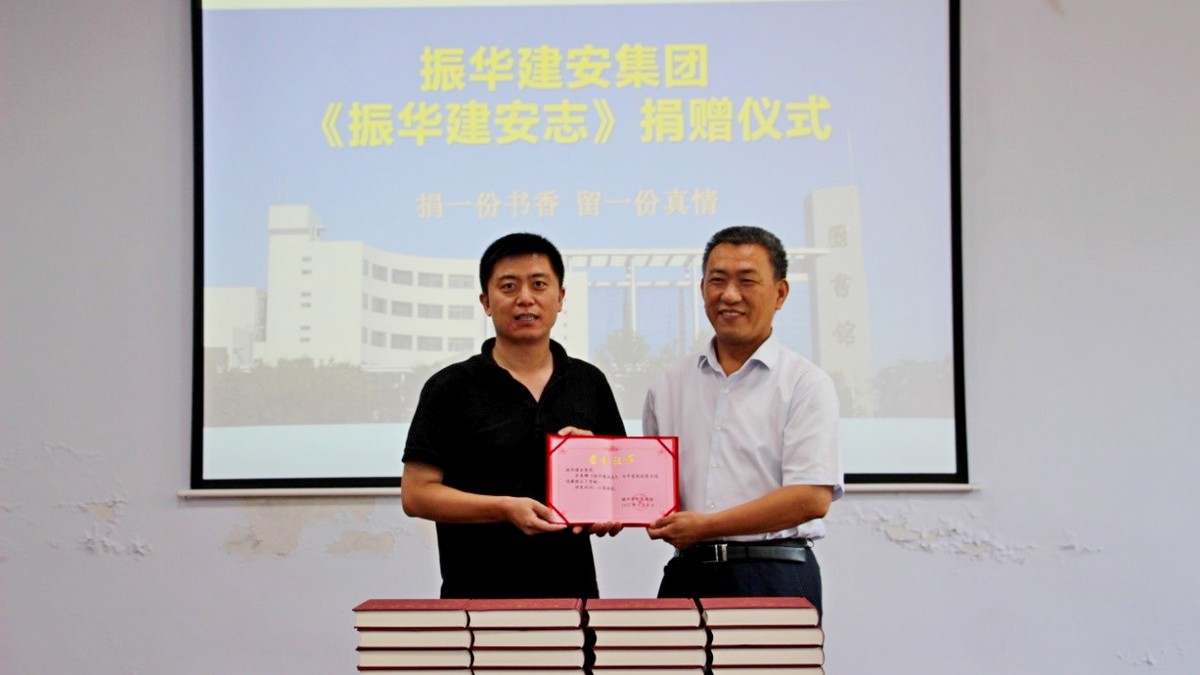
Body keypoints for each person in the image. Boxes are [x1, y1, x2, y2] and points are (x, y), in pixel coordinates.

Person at [401, 232, 626, 599]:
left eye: (538, 284)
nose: (525, 298)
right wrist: (504, 508)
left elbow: (621, 490)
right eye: (509, 286)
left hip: (572, 594)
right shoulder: (449, 387)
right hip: (475, 597)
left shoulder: (589, 382)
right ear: (486, 302)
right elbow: (416, 495)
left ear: (560, 297)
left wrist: (605, 492)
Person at [642, 225, 843, 619]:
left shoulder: (805, 383)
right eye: (717, 280)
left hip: (775, 574)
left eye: (747, 281)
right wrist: (598, 475)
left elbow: (811, 498)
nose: (729, 295)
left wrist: (706, 526)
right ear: (702, 288)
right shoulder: (668, 384)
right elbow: (651, 488)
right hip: (689, 572)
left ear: (780, 293)